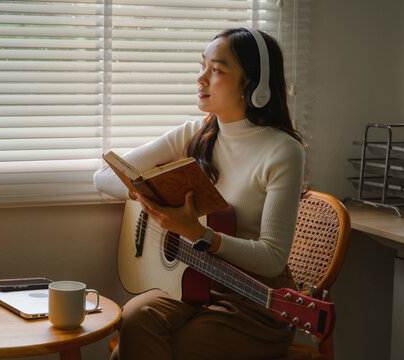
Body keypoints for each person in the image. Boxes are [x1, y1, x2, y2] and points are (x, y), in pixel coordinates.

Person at [94, 27, 305, 360]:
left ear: (254, 86)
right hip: (193, 284)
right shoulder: (196, 132)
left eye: (217, 70)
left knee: (160, 347)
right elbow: (105, 177)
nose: (201, 79)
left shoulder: (283, 151)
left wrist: (198, 233)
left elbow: (272, 258)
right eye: (202, 66)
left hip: (253, 300)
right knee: (133, 318)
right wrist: (156, 202)